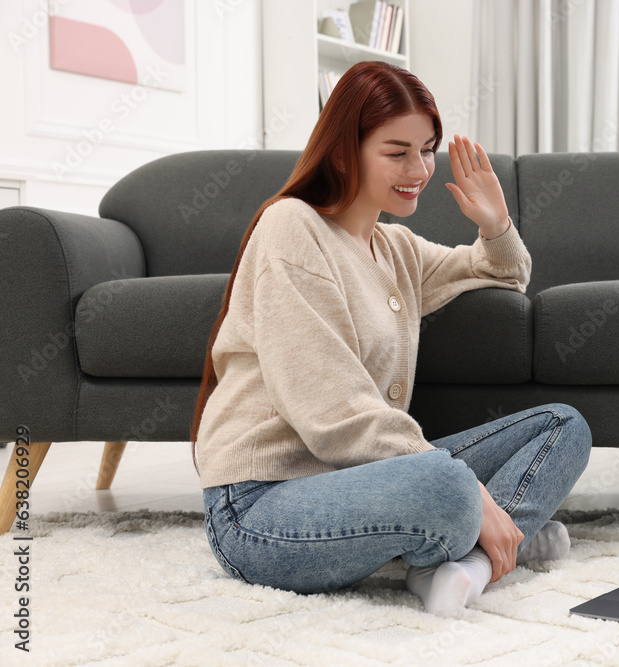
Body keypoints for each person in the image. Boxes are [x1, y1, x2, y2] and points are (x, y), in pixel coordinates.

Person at [190, 60, 592, 618]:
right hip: (260, 509)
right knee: (447, 486)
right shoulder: (292, 228)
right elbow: (334, 413)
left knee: (563, 426)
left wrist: (496, 224)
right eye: (397, 151)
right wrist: (471, 493)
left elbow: (503, 274)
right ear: (344, 151)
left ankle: (470, 562)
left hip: (360, 479)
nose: (420, 169)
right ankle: (501, 537)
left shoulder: (397, 248)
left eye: (428, 149)